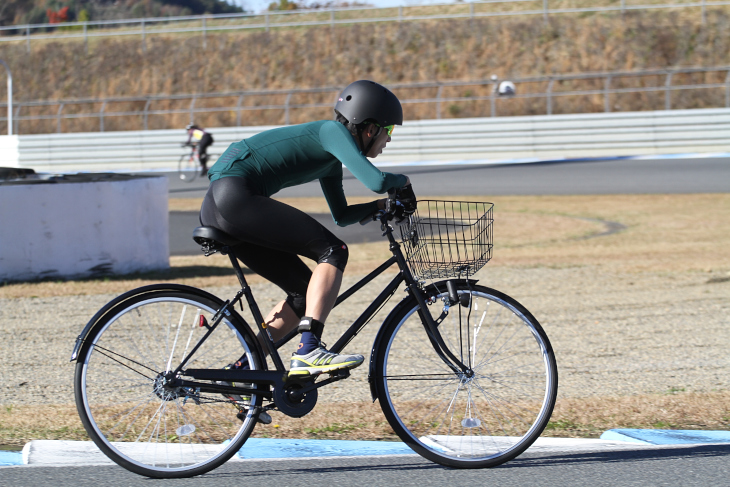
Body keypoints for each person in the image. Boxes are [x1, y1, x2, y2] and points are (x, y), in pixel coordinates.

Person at [199, 80, 415, 380]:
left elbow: (341, 215)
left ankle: (245, 369)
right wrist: (403, 183)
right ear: (370, 128)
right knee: (334, 251)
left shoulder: (330, 158)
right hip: (234, 195)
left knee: (302, 293)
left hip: (221, 202)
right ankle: (309, 349)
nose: (388, 139)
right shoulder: (333, 132)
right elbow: (377, 181)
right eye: (388, 131)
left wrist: (378, 207)